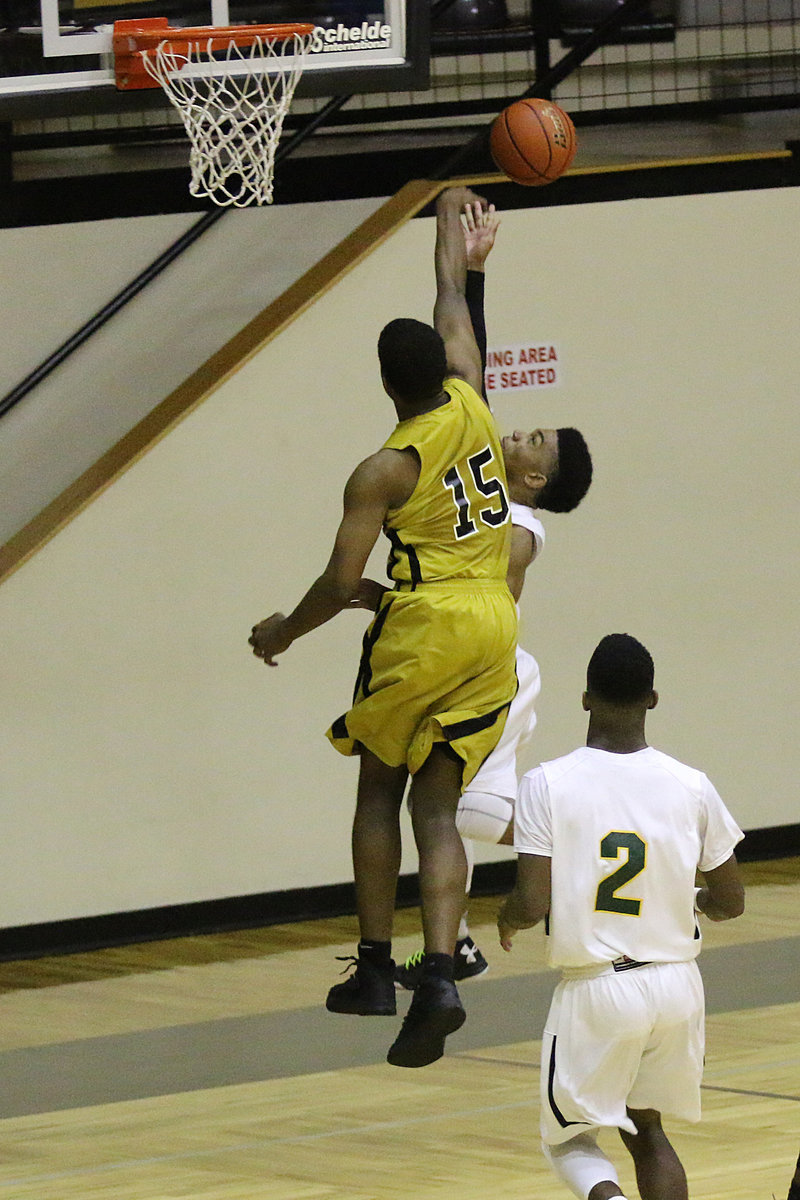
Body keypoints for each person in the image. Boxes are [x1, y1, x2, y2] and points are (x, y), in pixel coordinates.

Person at [250, 185, 521, 1069]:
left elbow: (336, 583)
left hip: (425, 627)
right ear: (442, 371)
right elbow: (453, 303)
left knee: (379, 791)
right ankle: (439, 972)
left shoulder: (382, 470)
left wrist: (284, 632)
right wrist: (454, 228)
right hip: (493, 623)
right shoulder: (474, 401)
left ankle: (373, 969)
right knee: (437, 803)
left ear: (383, 384)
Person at [395, 201, 593, 990]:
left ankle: (591, 836)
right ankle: (465, 939)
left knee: (460, 815)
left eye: (531, 439)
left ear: (535, 478)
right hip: (487, 663)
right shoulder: (490, 485)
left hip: (489, 669)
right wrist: (474, 272)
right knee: (456, 813)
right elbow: (468, 366)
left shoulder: (518, 528)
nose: (515, 433)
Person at [498, 633, 745, 1200]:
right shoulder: (692, 785)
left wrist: (508, 918)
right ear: (652, 699)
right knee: (648, 1130)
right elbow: (731, 901)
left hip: (600, 989)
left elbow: (531, 902)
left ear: (585, 698)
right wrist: (695, 903)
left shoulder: (547, 783)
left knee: (567, 1140)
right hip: (678, 987)